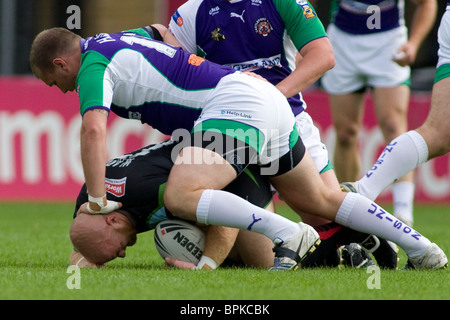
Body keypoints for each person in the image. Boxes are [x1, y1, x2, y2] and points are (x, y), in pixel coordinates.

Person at [29, 27, 447, 269]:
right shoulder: (116, 41)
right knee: (320, 197)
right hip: (259, 98)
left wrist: (99, 200)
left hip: (232, 104)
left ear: (62, 64)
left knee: (181, 192)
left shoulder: (90, 66)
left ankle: (290, 235)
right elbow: (158, 34)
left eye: (54, 82)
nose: (61, 90)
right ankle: (421, 249)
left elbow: (92, 131)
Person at [168, 0, 337, 230]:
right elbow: (176, 80)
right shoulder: (190, 13)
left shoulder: (285, 3)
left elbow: (323, 56)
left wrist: (269, 98)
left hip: (287, 120)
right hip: (227, 128)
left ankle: (374, 233)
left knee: (329, 223)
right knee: (254, 251)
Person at [69, 140, 276, 269]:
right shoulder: (90, 200)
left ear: (113, 220)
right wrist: (81, 262)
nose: (122, 255)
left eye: (116, 252)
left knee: (265, 262)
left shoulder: (150, 190)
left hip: (235, 171)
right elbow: (83, 244)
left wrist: (205, 267)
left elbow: (223, 212)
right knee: (179, 218)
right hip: (204, 162)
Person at [320, 0, 437, 227]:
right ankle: (349, 214)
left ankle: (404, 215)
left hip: (388, 40)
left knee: (394, 126)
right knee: (345, 133)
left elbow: (426, 3)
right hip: (342, 41)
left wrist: (413, 43)